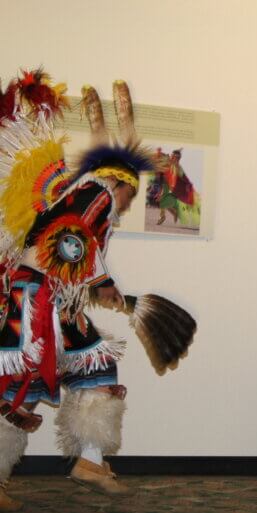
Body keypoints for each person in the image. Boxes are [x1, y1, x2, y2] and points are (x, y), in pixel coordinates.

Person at [0, 73, 158, 509]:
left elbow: (76, 246)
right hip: (35, 300)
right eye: (131, 197)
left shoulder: (85, 193)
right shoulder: (100, 193)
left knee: (96, 365)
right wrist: (101, 284)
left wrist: (102, 285)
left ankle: (89, 462)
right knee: (18, 386)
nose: (127, 206)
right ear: (124, 184)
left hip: (53, 302)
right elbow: (67, 239)